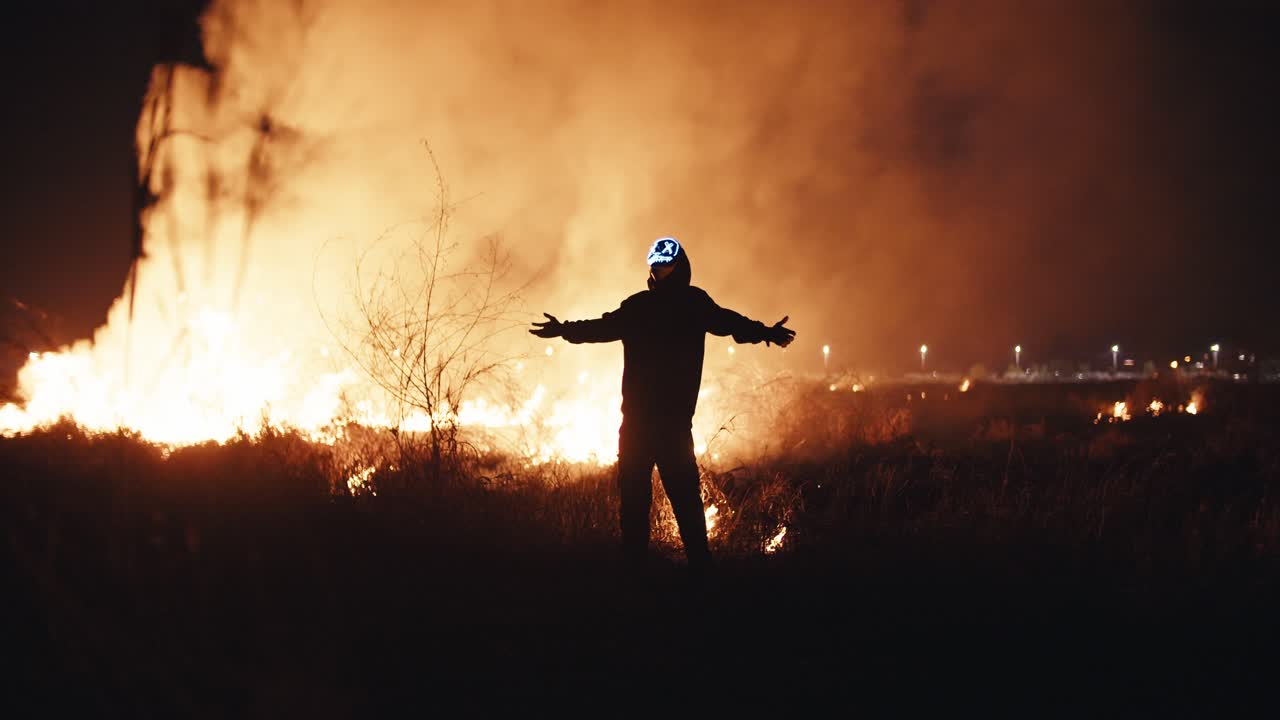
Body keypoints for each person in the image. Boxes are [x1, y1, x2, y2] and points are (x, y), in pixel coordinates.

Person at [530, 237, 795, 572]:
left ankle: (669, 569)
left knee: (664, 500)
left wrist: (765, 332)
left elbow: (731, 323)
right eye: (655, 264)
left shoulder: (663, 305)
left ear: (678, 266)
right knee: (653, 501)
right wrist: (565, 330)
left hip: (659, 425)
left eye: (664, 264)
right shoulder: (676, 304)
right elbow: (602, 327)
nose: (659, 270)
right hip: (653, 425)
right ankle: (679, 569)